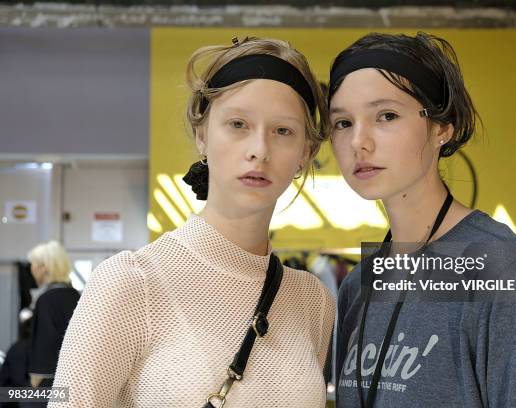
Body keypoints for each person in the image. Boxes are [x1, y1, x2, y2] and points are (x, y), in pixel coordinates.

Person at [50, 37, 335, 407]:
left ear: (305, 154)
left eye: (283, 131)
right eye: (237, 124)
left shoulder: (313, 300)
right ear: (202, 135)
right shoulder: (132, 282)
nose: (259, 150)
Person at [328, 32, 516, 407]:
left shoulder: (503, 270)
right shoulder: (358, 286)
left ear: (441, 128)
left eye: (386, 115)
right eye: (342, 123)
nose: (359, 141)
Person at [25, 241, 80, 388]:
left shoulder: (46, 299)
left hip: (50, 381)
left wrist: (37, 376)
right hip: (75, 376)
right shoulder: (76, 296)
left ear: (44, 268)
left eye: (33, 264)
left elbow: (45, 339)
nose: (31, 269)